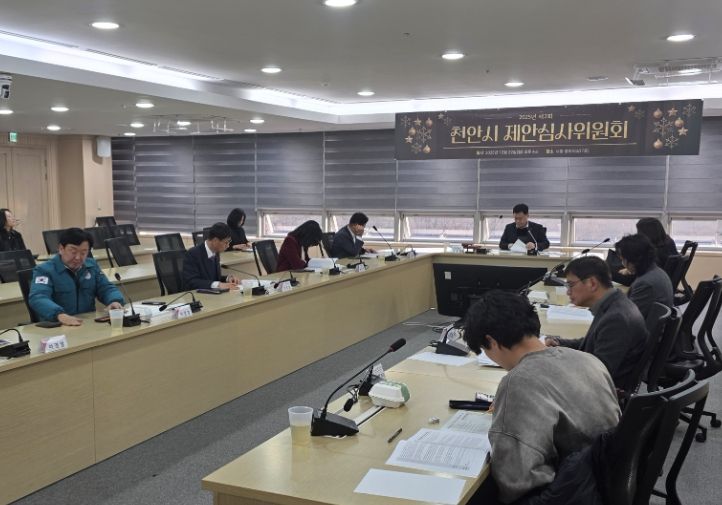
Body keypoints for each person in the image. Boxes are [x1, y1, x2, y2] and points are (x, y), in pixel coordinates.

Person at [463, 290, 620, 504]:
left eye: (484, 349)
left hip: (566, 493)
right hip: (603, 479)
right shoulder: (588, 359)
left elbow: (515, 480)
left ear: (491, 341)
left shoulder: (518, 382)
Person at [545, 256, 647, 390]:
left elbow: (597, 374)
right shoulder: (613, 302)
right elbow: (592, 342)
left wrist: (557, 360)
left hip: (602, 394)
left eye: (571, 285)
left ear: (592, 283)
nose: (568, 292)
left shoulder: (616, 318)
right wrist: (559, 343)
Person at [28, 227, 124, 326]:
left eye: (83, 253)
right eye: (73, 252)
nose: (78, 257)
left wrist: (114, 300)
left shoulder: (91, 266)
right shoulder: (45, 270)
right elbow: (38, 297)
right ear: (61, 249)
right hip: (57, 325)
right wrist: (59, 315)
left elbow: (105, 288)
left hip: (87, 323)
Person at [615, 234, 673, 317]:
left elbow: (627, 317)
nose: (623, 264)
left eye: (623, 260)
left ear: (634, 260)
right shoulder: (656, 271)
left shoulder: (645, 283)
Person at [183, 222, 239, 290]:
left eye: (229, 242)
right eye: (226, 242)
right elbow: (192, 282)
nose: (228, 246)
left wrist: (227, 278)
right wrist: (218, 285)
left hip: (212, 294)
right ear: (215, 240)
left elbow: (212, 279)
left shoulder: (216, 252)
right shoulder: (192, 254)